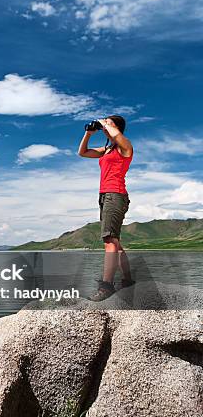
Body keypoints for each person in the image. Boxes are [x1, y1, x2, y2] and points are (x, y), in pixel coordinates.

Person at [77, 115, 133, 301]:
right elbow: (82, 152)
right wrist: (89, 133)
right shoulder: (107, 149)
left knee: (109, 240)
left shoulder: (125, 147)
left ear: (117, 127)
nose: (104, 126)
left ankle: (107, 286)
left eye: (109, 123)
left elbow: (116, 135)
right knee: (115, 241)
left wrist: (105, 124)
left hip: (115, 195)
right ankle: (127, 280)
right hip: (105, 196)